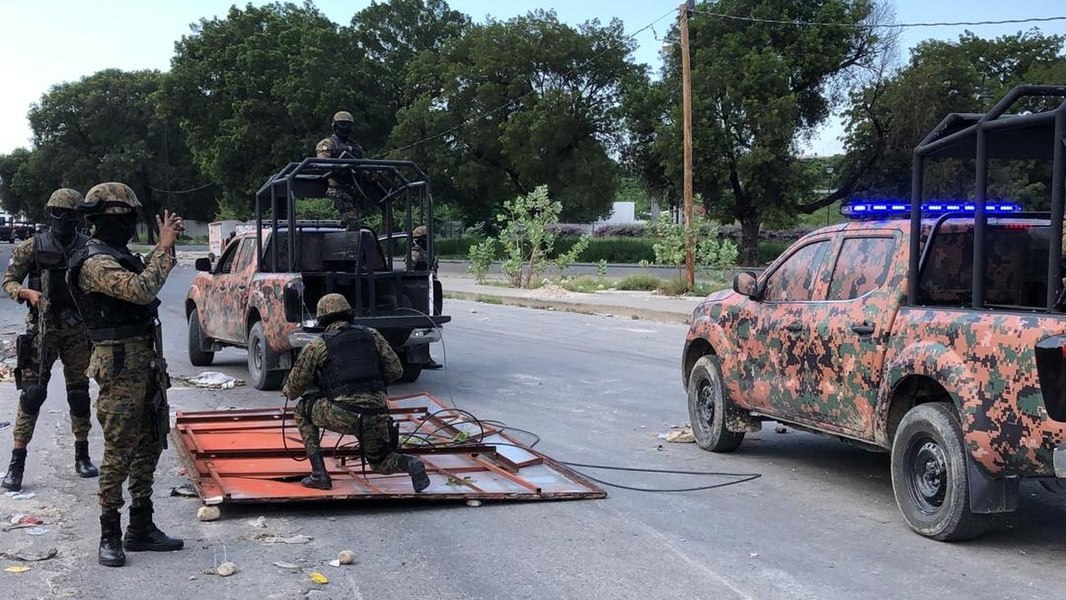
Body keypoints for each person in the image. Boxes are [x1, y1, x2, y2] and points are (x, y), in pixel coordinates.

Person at [67, 182, 184, 567]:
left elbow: (142, 276)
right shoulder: (94, 261)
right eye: (129, 218)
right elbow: (139, 290)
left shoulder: (116, 255)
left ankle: (141, 526)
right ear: (112, 219)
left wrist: (163, 248)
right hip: (119, 365)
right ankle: (109, 534)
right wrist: (164, 248)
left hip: (145, 361)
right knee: (119, 450)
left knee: (150, 443)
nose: (132, 226)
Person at [1, 188, 98, 491]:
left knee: (79, 395)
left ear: (77, 217)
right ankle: (16, 463)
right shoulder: (33, 247)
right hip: (42, 328)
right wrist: (27, 293)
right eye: (57, 214)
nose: (62, 220)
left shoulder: (89, 247)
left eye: (68, 215)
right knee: (32, 395)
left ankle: (82, 455)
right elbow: (9, 281)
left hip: (77, 331)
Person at [283, 293, 430, 492]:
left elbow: (294, 389)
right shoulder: (373, 335)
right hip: (377, 413)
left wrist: (290, 389)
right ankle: (411, 464)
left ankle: (319, 474)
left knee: (302, 410)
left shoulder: (317, 345)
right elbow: (396, 371)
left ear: (322, 318)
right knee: (379, 463)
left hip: (342, 413)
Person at [315, 111, 366, 230]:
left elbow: (362, 166)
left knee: (356, 225)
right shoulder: (327, 143)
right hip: (338, 189)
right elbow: (322, 163)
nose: (345, 128)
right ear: (335, 126)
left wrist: (367, 173)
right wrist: (340, 166)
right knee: (353, 224)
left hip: (356, 190)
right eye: (342, 124)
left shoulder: (356, 147)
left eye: (348, 125)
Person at [411, 225, 443, 370]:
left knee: (428, 325)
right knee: (421, 328)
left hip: (429, 291)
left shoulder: (426, 253)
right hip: (419, 293)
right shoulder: (414, 254)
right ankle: (420, 358)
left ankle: (425, 357)